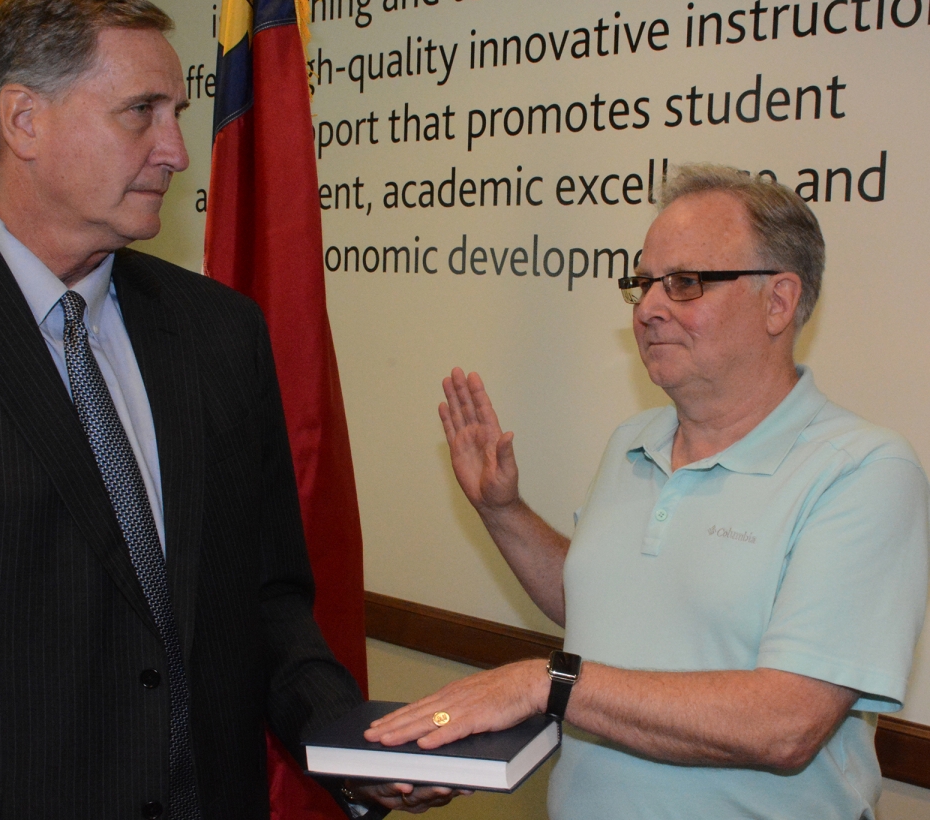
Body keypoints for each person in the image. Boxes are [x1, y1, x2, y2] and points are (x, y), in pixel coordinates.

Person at [0, 0, 453, 819]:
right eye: (140, 111)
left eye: (178, 113)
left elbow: (267, 600)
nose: (177, 149)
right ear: (24, 121)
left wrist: (342, 736)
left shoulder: (220, 333)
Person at [366, 164, 930, 818]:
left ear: (778, 301)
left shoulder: (862, 470)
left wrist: (544, 684)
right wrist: (503, 512)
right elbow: (598, 605)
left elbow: (787, 724)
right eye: (642, 284)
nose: (650, 308)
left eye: (685, 283)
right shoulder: (632, 441)